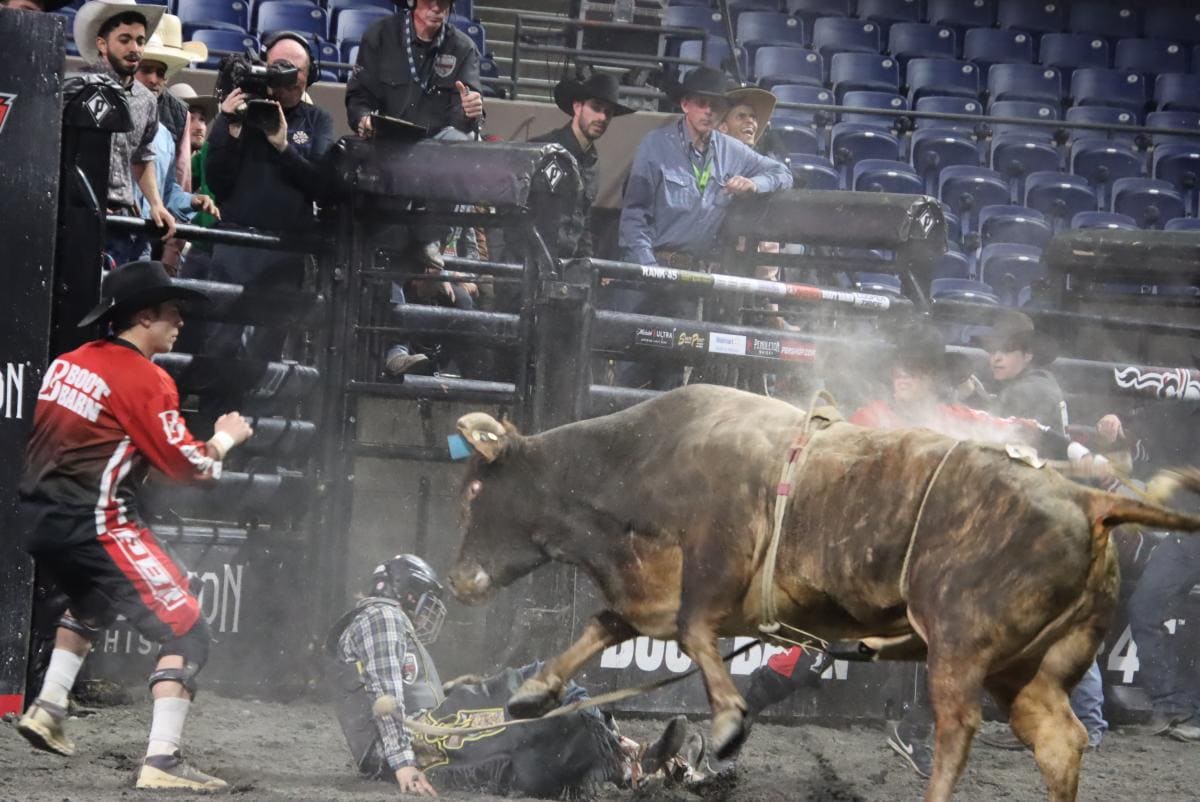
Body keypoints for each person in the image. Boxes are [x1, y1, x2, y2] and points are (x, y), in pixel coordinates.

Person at [740, 323, 1113, 777]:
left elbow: (1024, 428)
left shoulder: (954, 422)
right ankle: (743, 711)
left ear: (932, 377)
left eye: (914, 371)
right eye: (900, 369)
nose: (903, 377)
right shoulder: (869, 420)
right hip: (858, 561)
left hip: (915, 568)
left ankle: (915, 727)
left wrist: (1078, 449)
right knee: (812, 648)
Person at [15, 260, 254, 790]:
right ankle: (162, 763)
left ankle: (50, 706)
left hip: (40, 521)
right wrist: (225, 438)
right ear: (143, 315)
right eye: (172, 312)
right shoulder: (146, 380)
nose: (180, 322)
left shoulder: (68, 363)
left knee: (92, 601)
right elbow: (191, 468)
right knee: (188, 629)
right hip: (97, 523)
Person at [327, 555, 705, 797]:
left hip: (428, 730)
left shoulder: (382, 622)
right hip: (418, 742)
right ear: (404, 593)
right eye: (423, 599)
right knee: (527, 713)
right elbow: (386, 699)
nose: (428, 612)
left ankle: (631, 753)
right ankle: (634, 767)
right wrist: (403, 765)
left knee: (539, 687)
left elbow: (394, 692)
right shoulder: (382, 617)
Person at [615, 66, 792, 388]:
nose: (708, 111)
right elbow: (634, 213)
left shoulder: (730, 151)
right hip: (647, 272)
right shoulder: (655, 145)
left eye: (715, 105)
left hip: (689, 281)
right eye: (701, 103)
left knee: (673, 372)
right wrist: (648, 268)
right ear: (686, 105)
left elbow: (782, 173)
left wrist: (754, 183)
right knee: (629, 364)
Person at [203, 31, 333, 382]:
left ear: (310, 75)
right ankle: (212, 428)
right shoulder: (240, 113)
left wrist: (283, 147)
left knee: (266, 353)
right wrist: (228, 124)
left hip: (284, 252)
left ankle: (255, 432)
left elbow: (321, 184)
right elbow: (217, 181)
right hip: (234, 246)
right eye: (278, 66)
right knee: (219, 345)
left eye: (294, 69)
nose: (286, 75)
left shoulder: (317, 121)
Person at [345, 0, 484, 271]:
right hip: (387, 141)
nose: (437, 8)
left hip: (435, 147)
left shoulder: (463, 47)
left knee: (463, 143)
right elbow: (358, 95)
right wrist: (362, 119)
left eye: (445, 3)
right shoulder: (379, 36)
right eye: (431, 1)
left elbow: (464, 114)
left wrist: (471, 110)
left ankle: (428, 236)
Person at [74, 0, 177, 263]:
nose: (135, 48)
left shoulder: (147, 100)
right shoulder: (77, 89)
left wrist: (156, 204)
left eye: (140, 41)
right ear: (102, 44)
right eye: (125, 39)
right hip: (79, 216)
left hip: (124, 221)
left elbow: (142, 157)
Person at [131, 16, 219, 271]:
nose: (154, 79)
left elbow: (167, 191)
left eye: (160, 72)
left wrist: (190, 201)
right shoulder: (109, 117)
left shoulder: (164, 137)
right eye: (146, 70)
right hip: (109, 232)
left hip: (141, 240)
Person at [529, 72, 635, 259]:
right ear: (577, 107)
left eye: (608, 112)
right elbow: (515, 212)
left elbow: (582, 223)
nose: (602, 117)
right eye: (596, 108)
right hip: (529, 263)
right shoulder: (543, 151)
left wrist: (587, 263)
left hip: (565, 269)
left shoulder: (592, 164)